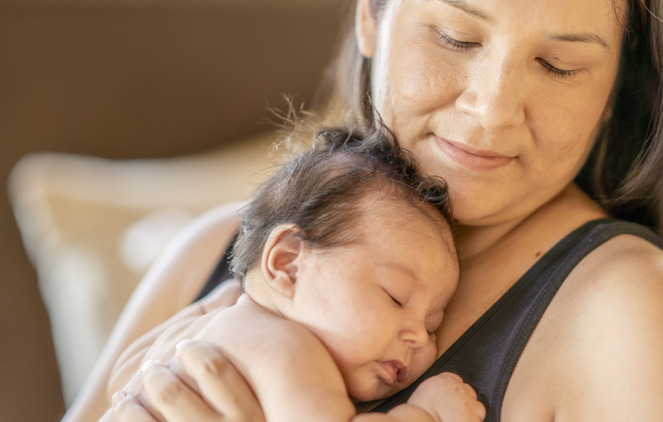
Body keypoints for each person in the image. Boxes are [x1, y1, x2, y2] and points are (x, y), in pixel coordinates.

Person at [64, 0, 663, 421]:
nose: (490, 111)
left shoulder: (639, 318)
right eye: (456, 37)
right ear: (373, 10)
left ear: (615, 84)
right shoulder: (212, 252)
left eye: (557, 65)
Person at [99, 127, 485, 421]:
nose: (419, 337)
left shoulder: (194, 328)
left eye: (434, 324)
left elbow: (120, 383)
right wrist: (423, 413)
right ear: (287, 263)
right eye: (395, 297)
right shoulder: (289, 351)